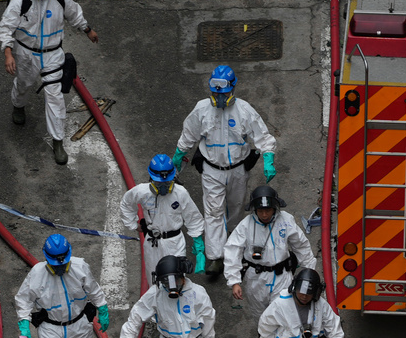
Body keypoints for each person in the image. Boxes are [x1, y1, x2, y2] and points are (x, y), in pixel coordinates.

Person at [172, 65, 278, 278]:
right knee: (213, 212)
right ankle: (216, 257)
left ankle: (232, 242)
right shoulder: (201, 110)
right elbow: (189, 135)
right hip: (212, 170)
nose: (220, 98)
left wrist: (268, 159)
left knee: (235, 207)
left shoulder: (244, 111)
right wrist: (178, 156)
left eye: (224, 94)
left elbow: (262, 136)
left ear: (233, 90)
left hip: (238, 169)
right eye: (216, 93)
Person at [0, 0, 98, 166]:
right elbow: (5, 28)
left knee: (55, 97)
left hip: (52, 54)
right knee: (24, 84)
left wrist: (87, 30)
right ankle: (18, 106)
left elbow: (74, 14)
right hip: (26, 54)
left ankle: (58, 141)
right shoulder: (20, 0)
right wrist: (8, 53)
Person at [224, 185, 315, 322]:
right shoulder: (245, 225)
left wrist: (309, 271)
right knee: (260, 314)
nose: (265, 215)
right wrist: (234, 281)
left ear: (275, 208)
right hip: (256, 279)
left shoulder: (285, 220)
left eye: (268, 210)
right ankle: (264, 334)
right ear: (255, 209)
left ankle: (283, 335)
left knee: (283, 311)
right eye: (261, 211)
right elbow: (232, 250)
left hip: (281, 277)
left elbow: (300, 245)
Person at [119, 154, 207, 292]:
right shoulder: (142, 192)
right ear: (151, 178)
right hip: (152, 244)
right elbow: (126, 203)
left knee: (176, 282)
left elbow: (193, 218)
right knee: (153, 281)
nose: (163, 187)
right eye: (159, 183)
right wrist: (134, 224)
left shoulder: (180, 193)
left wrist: (198, 244)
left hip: (174, 244)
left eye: (167, 183)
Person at [258, 268, 346, 338]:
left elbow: (333, 328)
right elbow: (266, 325)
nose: (304, 296)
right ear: (294, 288)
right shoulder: (280, 304)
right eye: (301, 292)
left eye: (308, 294)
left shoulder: (321, 305)